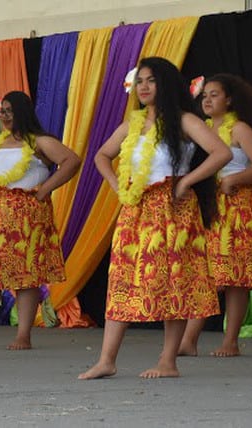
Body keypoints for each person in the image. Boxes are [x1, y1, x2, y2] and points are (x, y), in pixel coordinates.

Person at [78, 57, 232, 380]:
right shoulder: (131, 125)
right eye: (140, 82)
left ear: (165, 83)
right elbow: (101, 156)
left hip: (172, 211)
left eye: (151, 80)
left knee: (173, 282)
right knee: (121, 281)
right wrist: (117, 183)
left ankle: (168, 361)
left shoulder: (184, 121)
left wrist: (187, 180)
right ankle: (107, 360)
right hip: (135, 210)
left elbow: (222, 153)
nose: (144, 87)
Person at [0, 91, 80, 351]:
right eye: (1, 111)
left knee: (26, 276)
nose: (4, 116)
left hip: (27, 217)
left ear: (22, 111)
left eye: (9, 110)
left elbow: (71, 160)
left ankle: (23, 335)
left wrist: (46, 189)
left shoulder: (38, 142)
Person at [179, 74, 252, 357]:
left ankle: (230, 341)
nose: (207, 100)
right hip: (210, 208)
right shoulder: (203, 129)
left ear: (229, 99)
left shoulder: (240, 129)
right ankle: (188, 340)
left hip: (239, 208)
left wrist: (236, 179)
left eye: (214, 95)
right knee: (204, 272)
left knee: (236, 278)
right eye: (204, 96)